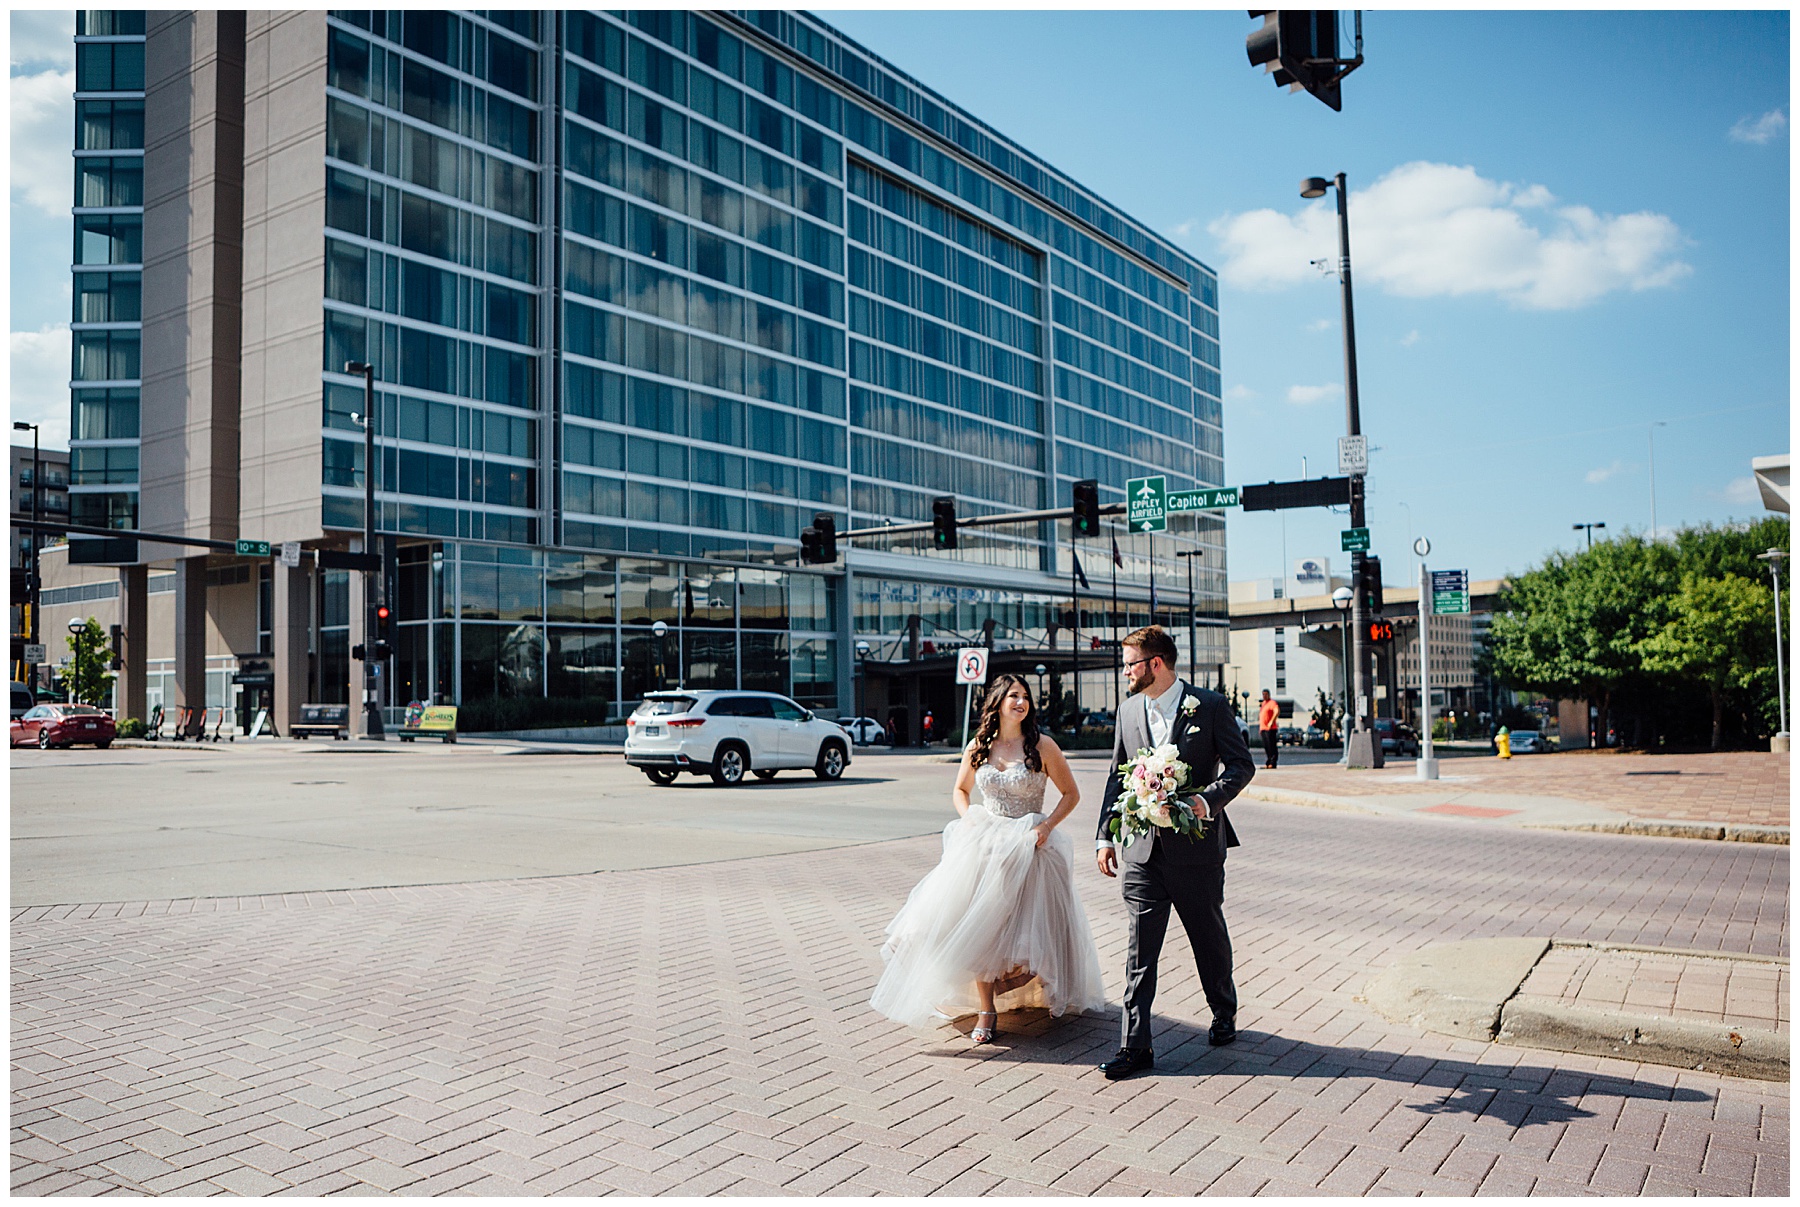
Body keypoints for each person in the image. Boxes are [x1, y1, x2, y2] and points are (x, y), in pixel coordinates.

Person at [871, 674, 1107, 1043]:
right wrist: (971, 822)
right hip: (986, 843)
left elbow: (1071, 794)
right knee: (980, 924)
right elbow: (961, 790)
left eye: (1025, 697)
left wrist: (1046, 828)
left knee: (1025, 934)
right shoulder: (978, 745)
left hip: (1031, 844)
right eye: (1013, 695)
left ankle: (1033, 993)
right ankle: (986, 1009)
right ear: (997, 702)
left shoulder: (1042, 746)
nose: (1021, 702)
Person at [1095, 626, 1256, 1080]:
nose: (1125, 671)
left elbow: (1242, 765)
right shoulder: (1128, 712)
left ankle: (1223, 1011)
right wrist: (1105, 836)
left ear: (1156, 664)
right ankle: (1135, 1047)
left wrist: (1209, 800)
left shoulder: (1209, 706)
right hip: (1142, 853)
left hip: (1198, 851)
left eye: (1130, 664)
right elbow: (1115, 777)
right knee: (1139, 950)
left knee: (1208, 938)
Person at [1258, 689, 1280, 770]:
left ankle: (1272, 763)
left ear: (1269, 695)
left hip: (1270, 728)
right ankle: (1268, 762)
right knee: (1266, 746)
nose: (1264, 696)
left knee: (1271, 746)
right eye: (1263, 694)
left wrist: (1271, 721)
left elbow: (1276, 711)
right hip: (1263, 728)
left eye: (1266, 694)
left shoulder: (1272, 703)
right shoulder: (1263, 704)